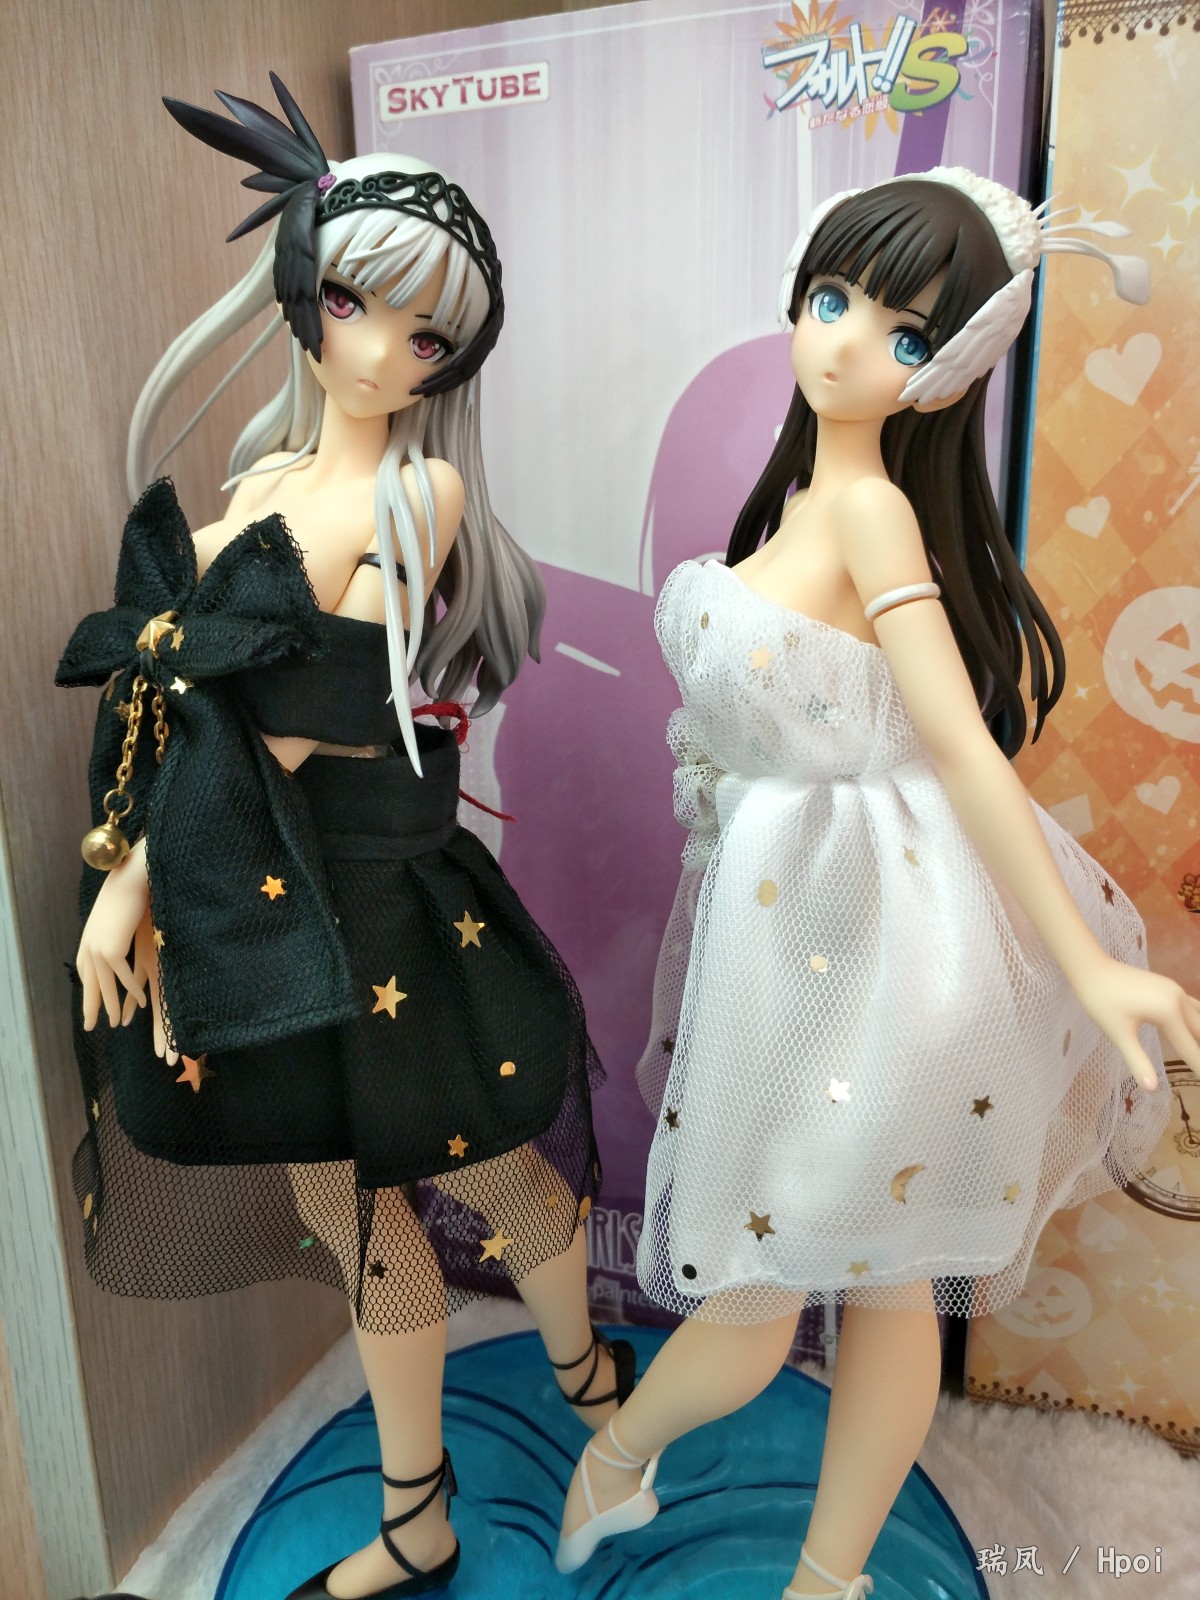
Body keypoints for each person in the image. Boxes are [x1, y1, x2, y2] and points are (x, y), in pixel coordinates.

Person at [554, 168, 1200, 1598]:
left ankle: (786, 1554)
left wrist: (1093, 966)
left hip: (875, 939)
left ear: (946, 370)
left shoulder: (873, 521)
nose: (846, 344)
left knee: (825, 1280)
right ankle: (636, 1465)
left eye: (903, 334)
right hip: (795, 933)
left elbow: (962, 748)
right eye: (833, 298)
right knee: (794, 1280)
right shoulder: (801, 499)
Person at [57, 75, 632, 1600]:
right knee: (350, 1199)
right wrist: (136, 863)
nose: (380, 351)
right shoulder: (255, 479)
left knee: (493, 1175)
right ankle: (419, 1516)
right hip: (259, 892)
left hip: (370, 901)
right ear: (304, 286)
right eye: (356, 303)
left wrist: (140, 881)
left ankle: (586, 1381)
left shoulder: (419, 492)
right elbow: (197, 707)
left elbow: (295, 719)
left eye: (427, 337)